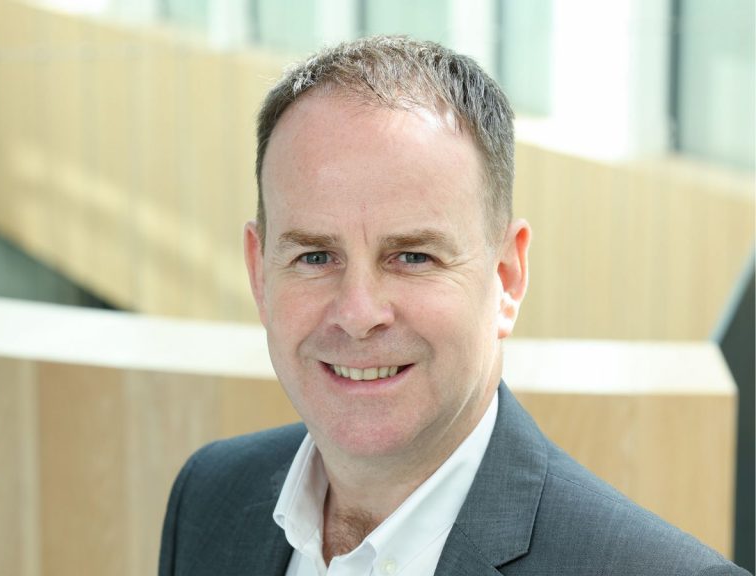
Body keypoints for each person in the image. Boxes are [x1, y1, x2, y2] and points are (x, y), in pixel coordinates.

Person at [158, 36, 749, 576]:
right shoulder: (209, 498)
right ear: (260, 274)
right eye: (315, 256)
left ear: (507, 277)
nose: (358, 313)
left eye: (412, 256)